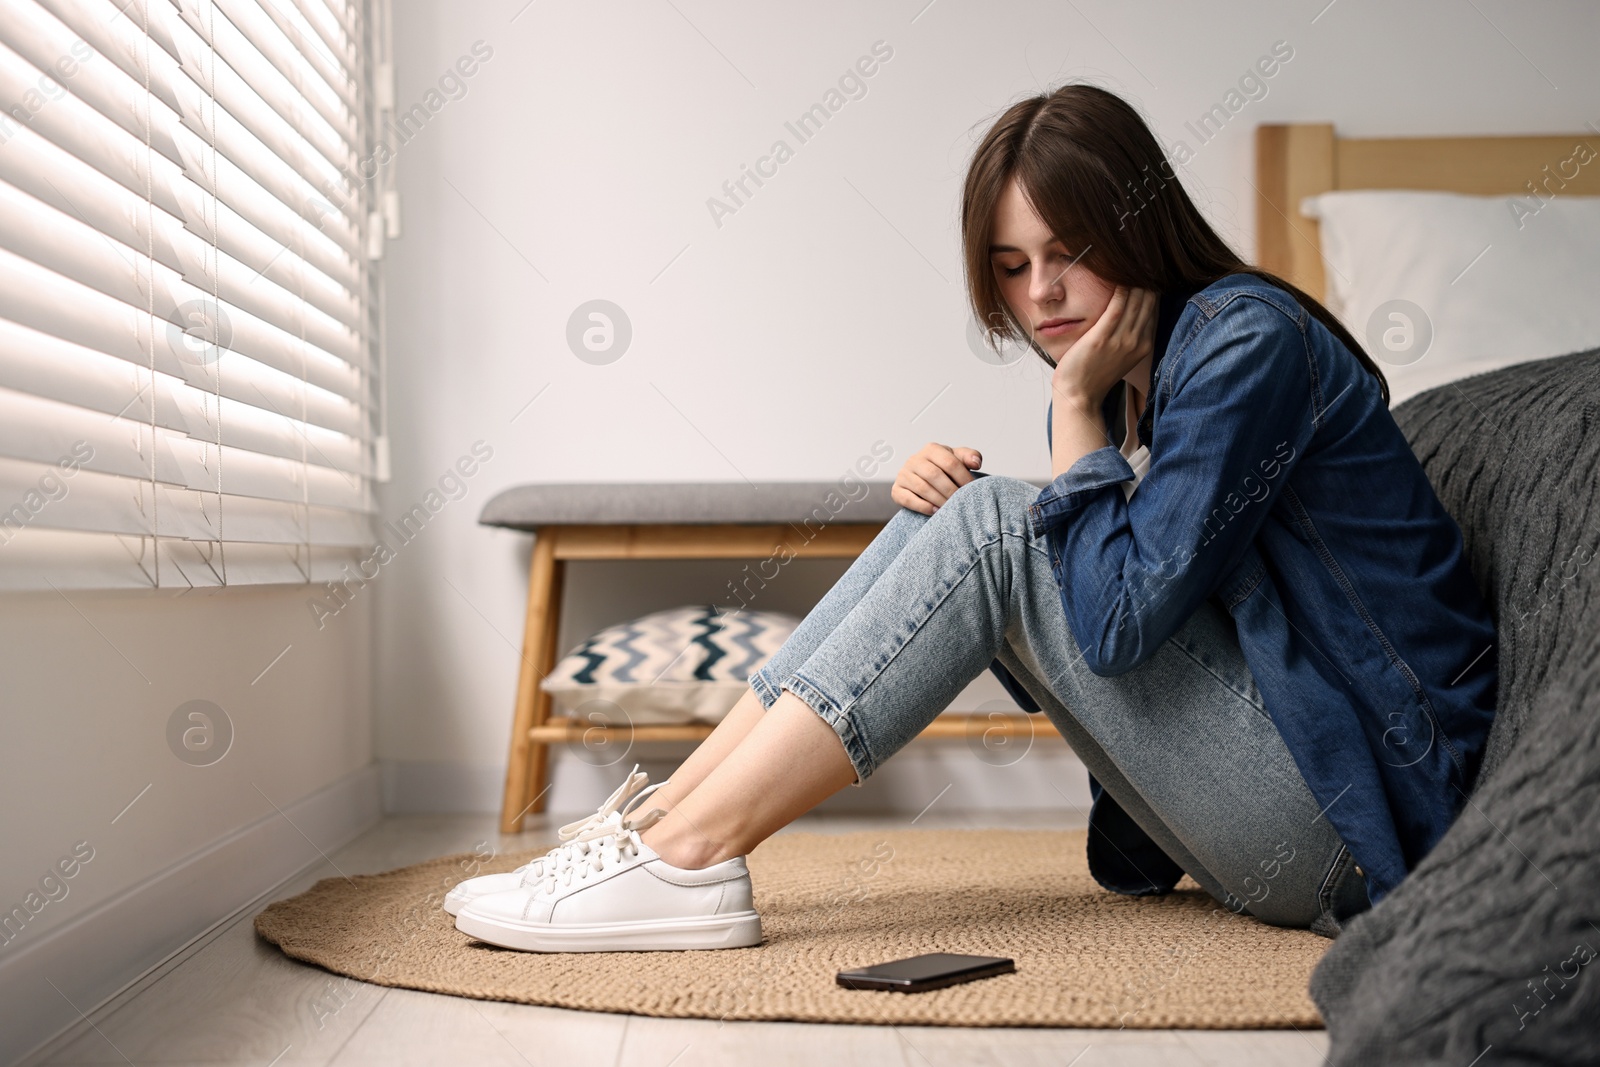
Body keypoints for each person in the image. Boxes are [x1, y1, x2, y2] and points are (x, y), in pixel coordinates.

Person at [450, 83, 1499, 954]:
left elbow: (1114, 626)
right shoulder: (1161, 375)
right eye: (1009, 266)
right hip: (1302, 793)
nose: (1041, 293)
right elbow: (1099, 624)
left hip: (1362, 818)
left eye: (1069, 250)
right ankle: (663, 825)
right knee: (958, 514)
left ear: (1137, 226)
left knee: (996, 521)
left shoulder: (1242, 345)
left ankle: (684, 859)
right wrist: (1013, 501)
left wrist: (1070, 415)